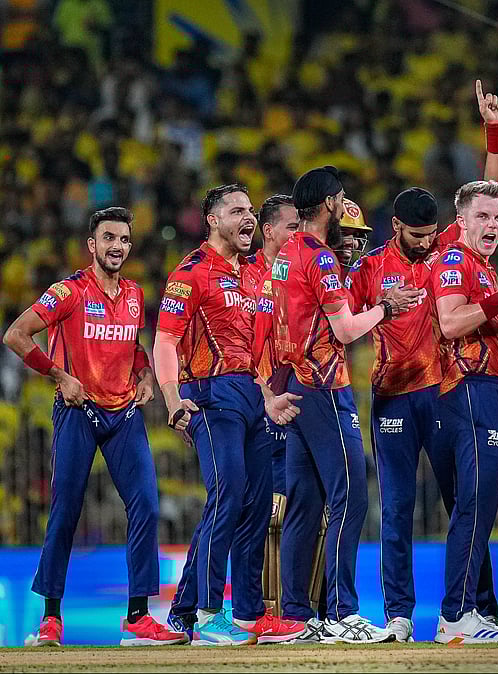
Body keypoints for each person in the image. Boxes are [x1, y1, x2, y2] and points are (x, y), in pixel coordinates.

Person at [346, 82, 498, 642]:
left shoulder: (447, 248)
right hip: (392, 396)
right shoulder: (369, 268)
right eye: (416, 236)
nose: (425, 244)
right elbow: (339, 323)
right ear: (395, 227)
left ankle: (476, 611)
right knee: (396, 508)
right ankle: (397, 615)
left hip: (444, 393)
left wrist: (495, 132)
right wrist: (378, 306)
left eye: (431, 235)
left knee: (467, 501)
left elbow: (491, 198)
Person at [4, 208, 186, 648]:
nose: (117, 246)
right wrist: (59, 376)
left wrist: (145, 375)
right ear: (92, 244)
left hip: (123, 414)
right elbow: (15, 335)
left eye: (123, 239)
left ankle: (138, 618)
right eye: (108, 238)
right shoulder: (68, 291)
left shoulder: (134, 294)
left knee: (146, 505)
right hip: (78, 410)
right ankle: (50, 619)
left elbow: (133, 346)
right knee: (66, 510)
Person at [156, 185, 306, 646]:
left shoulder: (254, 274)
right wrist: (172, 400)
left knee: (257, 505)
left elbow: (253, 348)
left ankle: (247, 614)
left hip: (250, 396)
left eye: (250, 210)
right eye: (237, 210)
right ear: (213, 220)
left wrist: (267, 396)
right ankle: (206, 613)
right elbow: (164, 341)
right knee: (228, 494)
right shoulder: (191, 273)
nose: (248, 217)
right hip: (209, 393)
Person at [272, 166, 416, 644]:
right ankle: (340, 613)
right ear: (330, 203)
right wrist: (386, 308)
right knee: (351, 496)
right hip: (324, 384)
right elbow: (346, 329)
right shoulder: (320, 257)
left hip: (295, 382)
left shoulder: (287, 251)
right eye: (341, 199)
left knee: (306, 503)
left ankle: (297, 615)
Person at [429, 180, 498, 644]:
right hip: (468, 388)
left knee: (477, 506)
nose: (492, 225)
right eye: (483, 216)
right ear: (461, 221)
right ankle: (456, 616)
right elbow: (450, 322)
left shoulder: (481, 266)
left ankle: (473, 611)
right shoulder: (455, 259)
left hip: (483, 390)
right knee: (474, 504)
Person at [247, 194, 299, 619]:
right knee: (262, 514)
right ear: (269, 231)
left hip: (295, 403)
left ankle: (299, 611)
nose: (298, 234)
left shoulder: (299, 271)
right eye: (292, 227)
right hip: (257, 408)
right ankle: (261, 611)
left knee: (302, 511)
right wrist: (261, 394)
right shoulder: (243, 276)